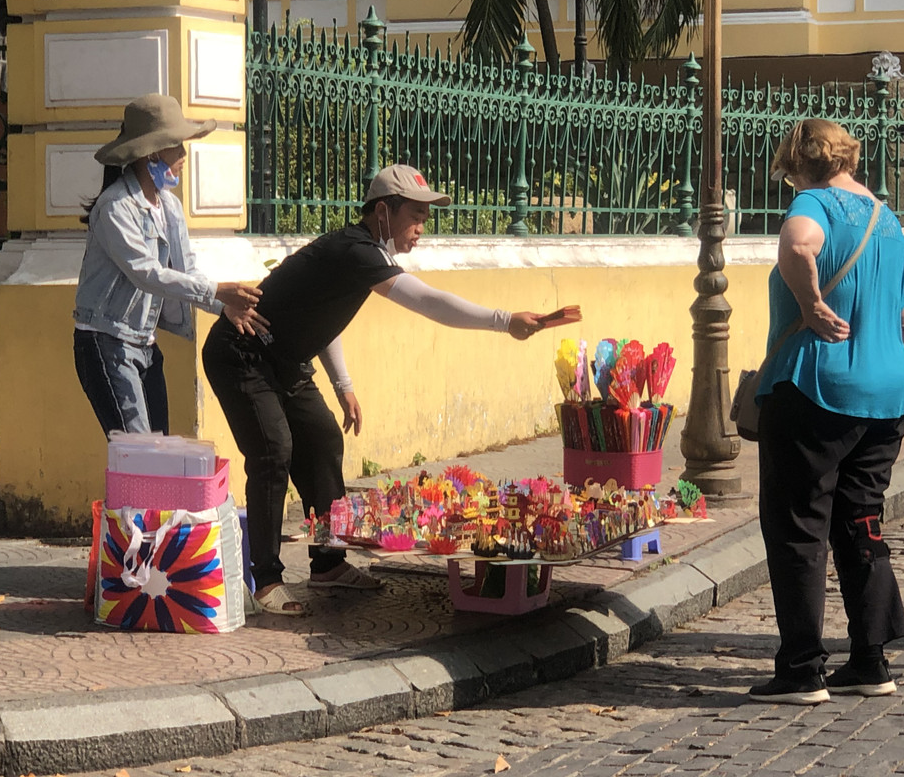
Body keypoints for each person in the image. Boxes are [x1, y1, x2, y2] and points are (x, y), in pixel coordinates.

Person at [202, 164, 550, 615]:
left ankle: (328, 567)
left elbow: (324, 318)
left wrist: (343, 384)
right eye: (416, 217)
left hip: (283, 362)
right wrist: (503, 321)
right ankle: (266, 581)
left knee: (324, 439)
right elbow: (427, 301)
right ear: (383, 211)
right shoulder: (356, 250)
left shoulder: (361, 255)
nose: (421, 229)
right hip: (241, 353)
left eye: (427, 219)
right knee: (274, 450)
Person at [747, 119, 904, 705]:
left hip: (817, 385)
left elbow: (797, 245)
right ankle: (871, 659)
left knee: (798, 524)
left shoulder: (813, 203)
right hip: (886, 392)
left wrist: (812, 304)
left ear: (799, 162)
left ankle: (800, 666)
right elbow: (901, 312)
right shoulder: (887, 219)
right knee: (862, 520)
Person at [73, 94, 266, 436]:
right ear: (152, 154)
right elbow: (147, 273)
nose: (183, 155)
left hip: (144, 345)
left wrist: (224, 306)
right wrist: (218, 290)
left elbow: (186, 270)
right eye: (176, 145)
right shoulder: (115, 207)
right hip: (106, 342)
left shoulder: (170, 207)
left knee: (155, 452)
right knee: (138, 455)